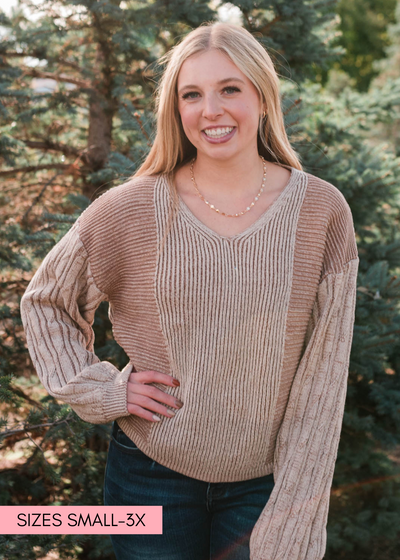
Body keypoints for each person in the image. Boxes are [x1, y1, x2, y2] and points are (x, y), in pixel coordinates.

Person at [20, 21, 359, 560]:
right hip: (148, 474)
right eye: (192, 94)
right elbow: (45, 303)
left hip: (265, 487)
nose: (211, 110)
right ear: (176, 110)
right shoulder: (131, 208)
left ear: (262, 96)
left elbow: (323, 383)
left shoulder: (320, 213)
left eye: (230, 89)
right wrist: (104, 390)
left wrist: (297, 516)